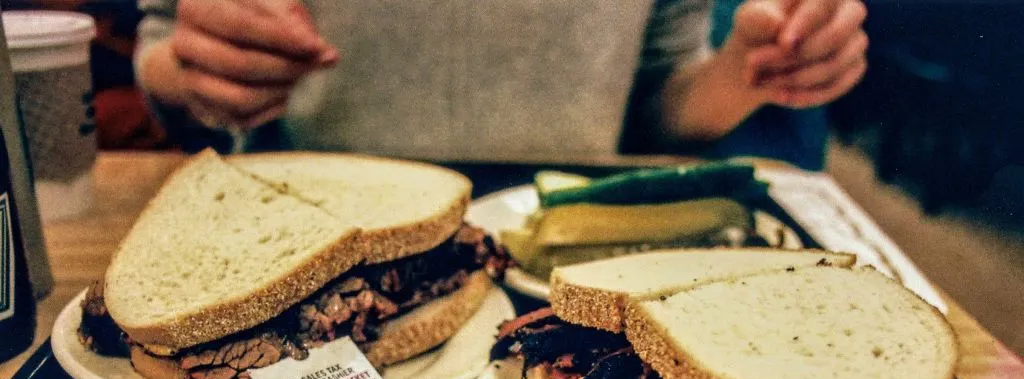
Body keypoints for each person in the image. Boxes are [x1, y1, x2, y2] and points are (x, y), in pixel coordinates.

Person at [134, 0, 866, 168]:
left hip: (575, 256)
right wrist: (195, 67)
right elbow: (160, 47)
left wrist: (744, 74)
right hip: (305, 220)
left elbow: (653, 109)